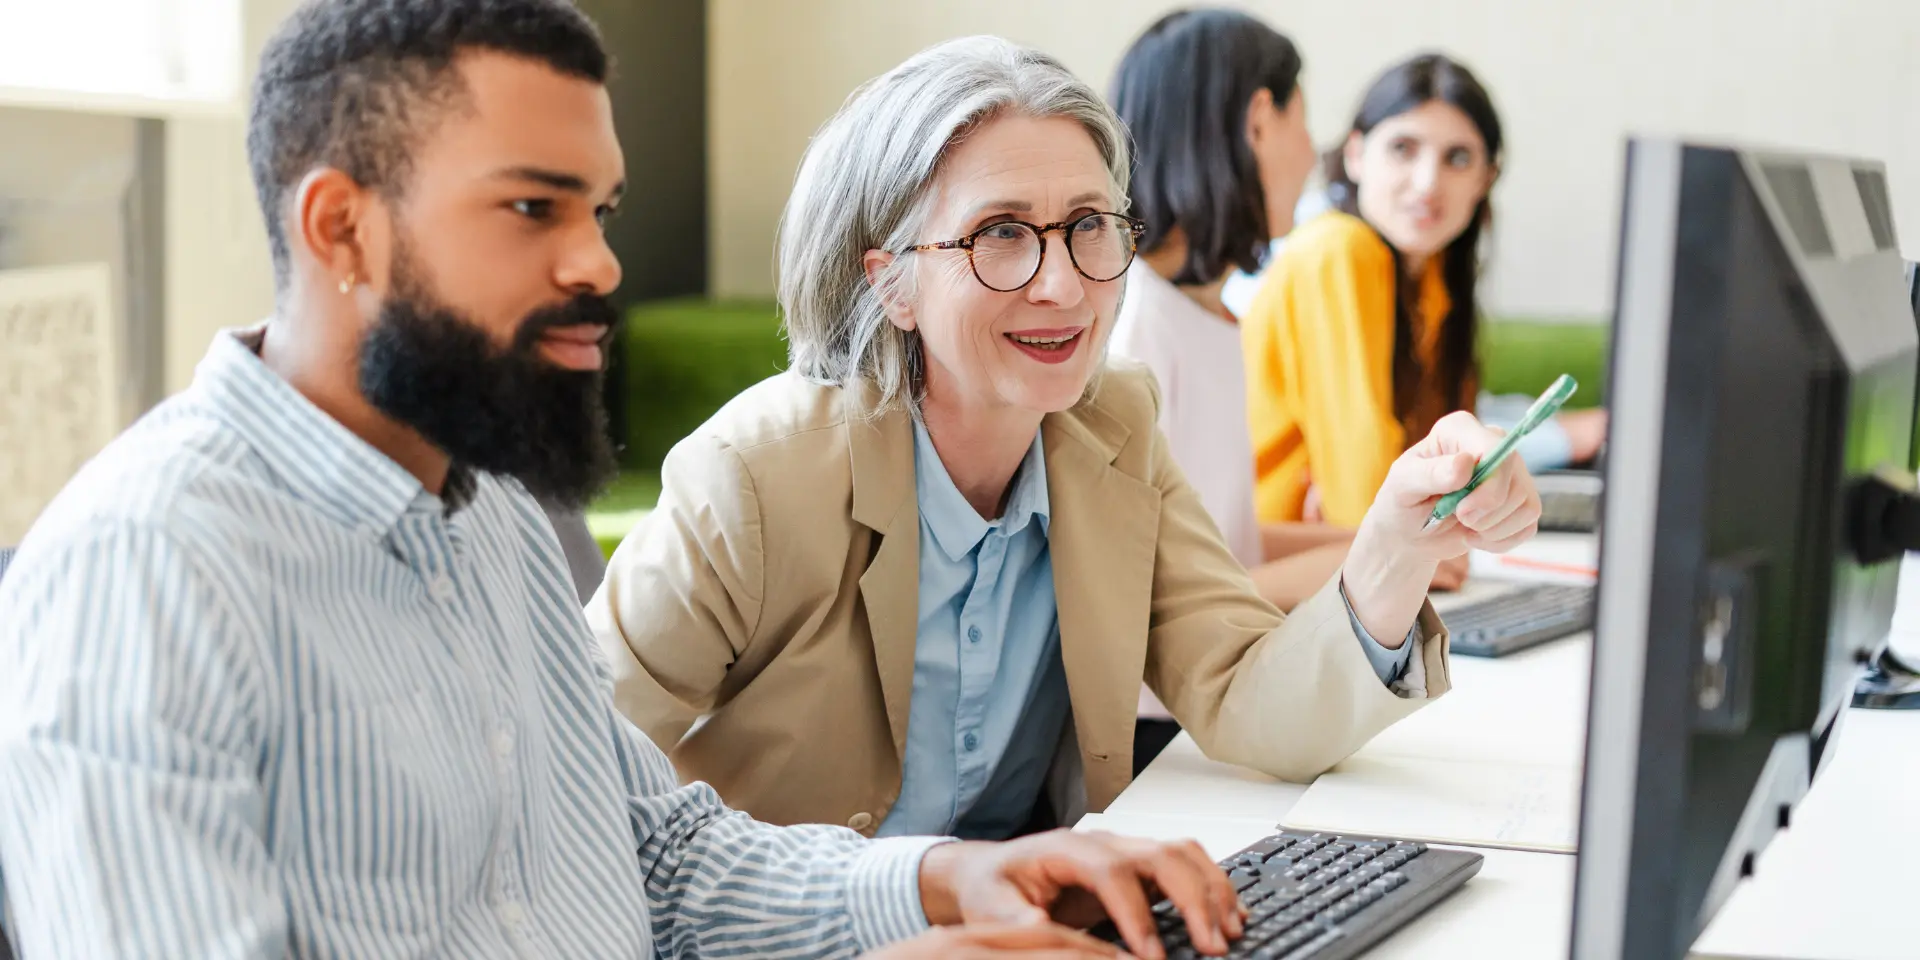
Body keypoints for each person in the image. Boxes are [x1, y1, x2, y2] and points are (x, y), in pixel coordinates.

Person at [0, 4, 1252, 959]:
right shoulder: (144, 575)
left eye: (599, 207)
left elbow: (649, 848)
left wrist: (939, 883)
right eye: (534, 209)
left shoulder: (487, 508)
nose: (599, 262)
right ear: (342, 229)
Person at [589, 36, 1542, 847]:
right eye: (1000, 234)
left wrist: (1395, 548)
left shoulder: (1113, 426)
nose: (1064, 285)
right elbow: (569, 780)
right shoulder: (751, 475)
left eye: (1089, 225)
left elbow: (1248, 695)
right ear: (892, 284)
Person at [1102, 9, 1350, 773]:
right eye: (1305, 123)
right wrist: (1362, 565)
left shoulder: (1208, 311)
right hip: (1160, 734)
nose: (1314, 157)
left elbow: (1220, 540)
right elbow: (1145, 603)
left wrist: (1375, 543)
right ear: (1259, 120)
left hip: (1223, 695)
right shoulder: (1132, 323)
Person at [1240, 53, 1606, 539]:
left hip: (1341, 562)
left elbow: (1433, 471)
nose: (1428, 183)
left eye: (1457, 158)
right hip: (1268, 564)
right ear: (1355, 155)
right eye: (1402, 148)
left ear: (1486, 178)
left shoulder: (1432, 278)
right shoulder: (1336, 249)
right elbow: (1368, 498)